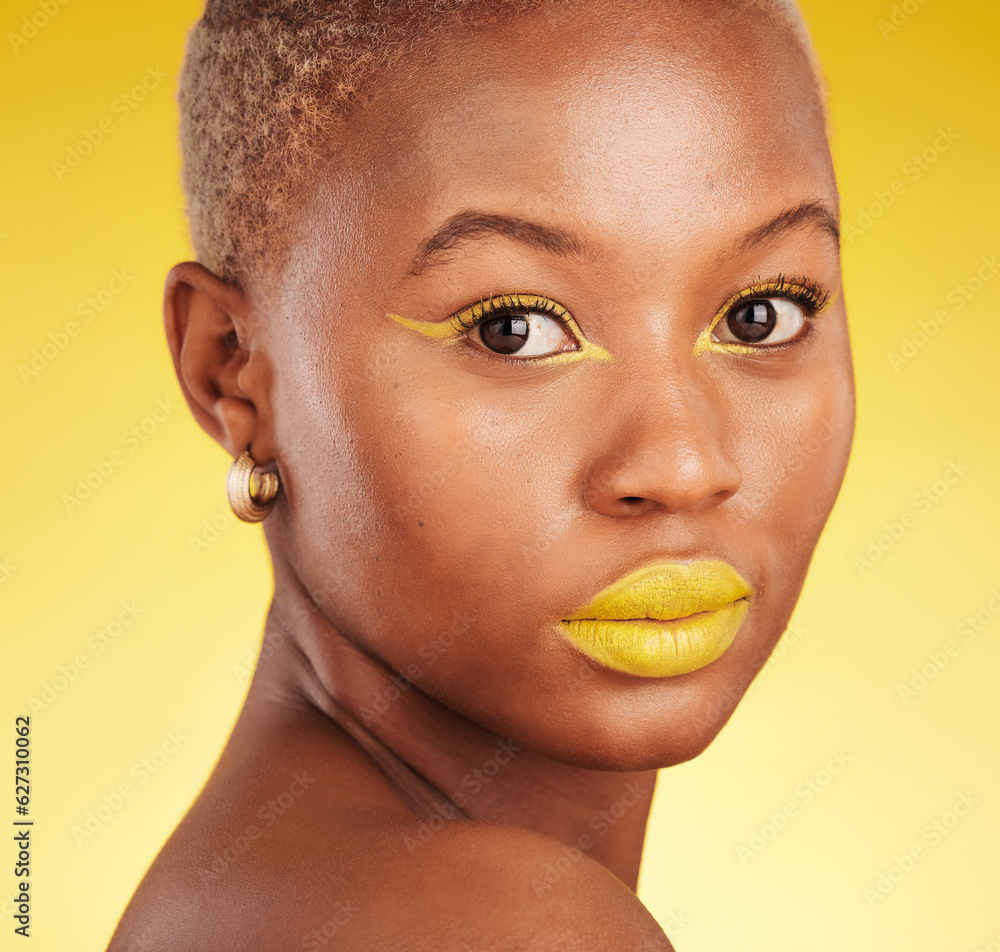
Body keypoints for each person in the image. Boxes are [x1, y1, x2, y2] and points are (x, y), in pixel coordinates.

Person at [107, 0, 855, 947]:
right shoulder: (509, 926)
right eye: (515, 330)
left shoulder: (241, 896)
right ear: (234, 371)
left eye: (763, 314)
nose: (683, 465)